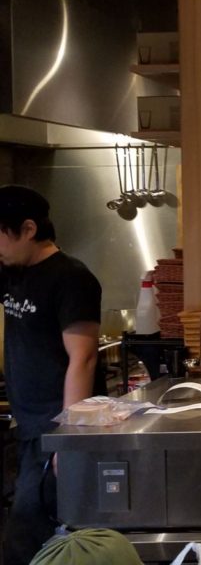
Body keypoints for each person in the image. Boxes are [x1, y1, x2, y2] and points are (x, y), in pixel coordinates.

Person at [0, 186, 104, 565]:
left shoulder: (71, 278)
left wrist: (68, 438)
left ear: (28, 229)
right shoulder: (13, 271)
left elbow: (84, 358)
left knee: (28, 537)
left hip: (55, 428)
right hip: (28, 427)